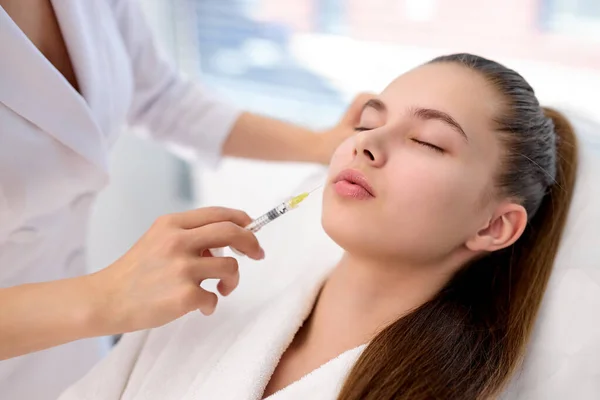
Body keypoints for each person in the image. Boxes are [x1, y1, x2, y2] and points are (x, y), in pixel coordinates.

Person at [56, 53, 579, 400]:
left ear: (494, 227)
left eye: (428, 141)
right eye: (368, 123)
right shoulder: (205, 311)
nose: (363, 144)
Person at [0, 0, 368, 398]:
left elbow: (159, 96)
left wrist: (319, 144)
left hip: (71, 354)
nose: (372, 149)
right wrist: (105, 296)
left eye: (426, 141)